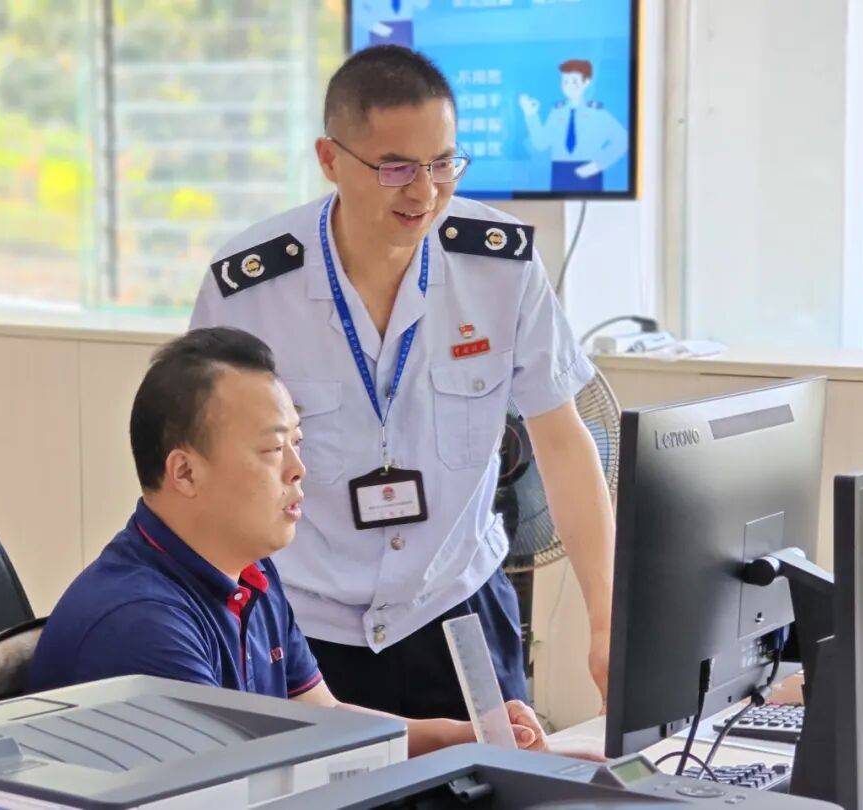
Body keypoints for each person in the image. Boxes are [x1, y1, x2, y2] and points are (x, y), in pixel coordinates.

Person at [190, 45, 615, 720]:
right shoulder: (250, 291)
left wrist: (606, 620)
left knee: (494, 774)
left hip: (458, 610)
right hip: (304, 630)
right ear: (330, 159)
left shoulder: (499, 266)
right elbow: (207, 477)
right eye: (396, 169)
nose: (424, 193)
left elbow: (563, 441)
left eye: (442, 163)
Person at [28, 327, 548, 757]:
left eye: (297, 443)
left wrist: (461, 736)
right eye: (273, 449)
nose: (299, 469)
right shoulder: (143, 625)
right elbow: (229, 790)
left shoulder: (250, 573)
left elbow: (324, 720)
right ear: (184, 472)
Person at [519, 59, 629, 193]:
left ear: (586, 82)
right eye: (565, 81)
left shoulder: (597, 113)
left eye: (574, 82)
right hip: (560, 171)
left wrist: (597, 165)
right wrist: (531, 115)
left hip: (589, 174)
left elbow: (623, 140)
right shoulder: (557, 112)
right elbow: (541, 143)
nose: (569, 86)